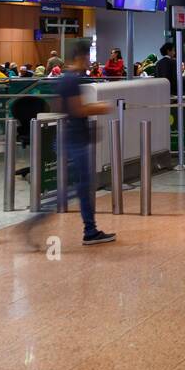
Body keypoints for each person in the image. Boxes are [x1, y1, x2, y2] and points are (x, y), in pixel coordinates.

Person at [55, 40, 115, 245]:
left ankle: (90, 229)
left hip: (72, 137)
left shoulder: (65, 79)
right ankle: (89, 230)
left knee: (80, 187)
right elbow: (77, 110)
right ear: (80, 58)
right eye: (88, 57)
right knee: (81, 187)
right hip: (76, 140)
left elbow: (62, 107)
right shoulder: (71, 81)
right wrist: (99, 108)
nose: (89, 62)